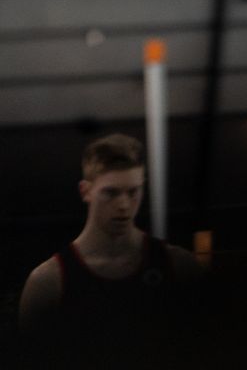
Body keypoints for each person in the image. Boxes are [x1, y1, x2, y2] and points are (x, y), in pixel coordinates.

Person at [17, 133, 202, 332]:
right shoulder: (48, 282)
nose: (123, 205)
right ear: (85, 191)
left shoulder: (179, 266)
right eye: (111, 193)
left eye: (133, 192)